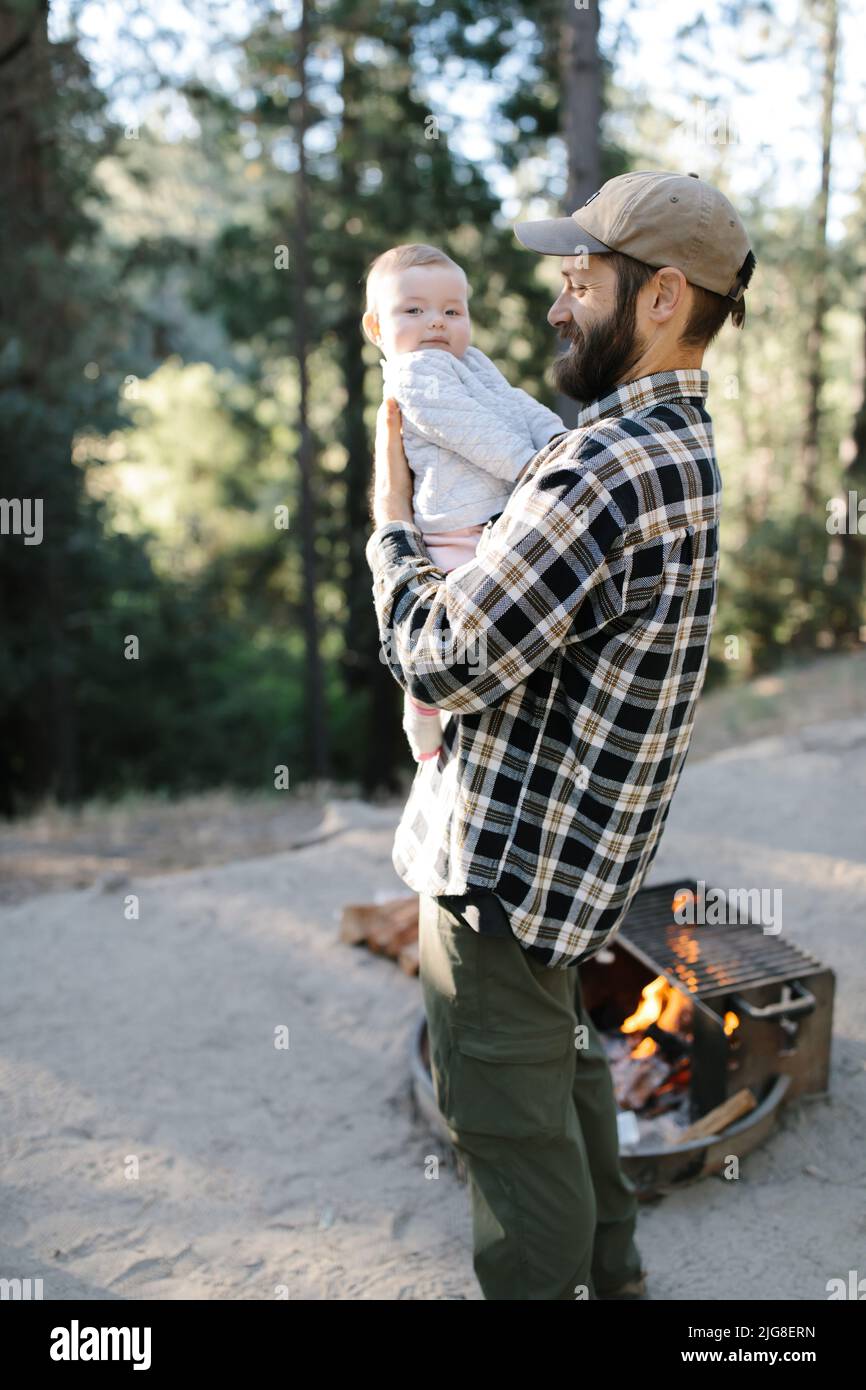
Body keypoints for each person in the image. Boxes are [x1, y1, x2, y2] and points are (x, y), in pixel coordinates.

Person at [365, 169, 756, 1300]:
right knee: (571, 1069)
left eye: (579, 282)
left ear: (662, 299)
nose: (552, 303)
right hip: (580, 874)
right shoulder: (679, 449)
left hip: (503, 870)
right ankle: (615, 1275)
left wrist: (391, 527)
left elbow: (438, 653)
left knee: (503, 1123)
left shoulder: (595, 470)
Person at [361, 243, 566, 763]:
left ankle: (476, 725)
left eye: (452, 311)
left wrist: (559, 441)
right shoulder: (413, 376)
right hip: (450, 530)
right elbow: (471, 430)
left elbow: (516, 405)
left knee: (499, 628)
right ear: (376, 329)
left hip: (493, 518)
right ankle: (422, 709)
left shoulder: (470, 363)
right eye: (414, 309)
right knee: (448, 637)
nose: (436, 322)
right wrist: (532, 466)